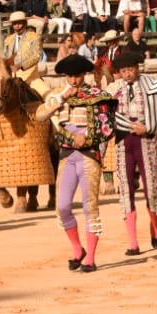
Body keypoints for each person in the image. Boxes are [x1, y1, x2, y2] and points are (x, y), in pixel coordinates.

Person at [38, 54, 116, 272]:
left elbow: (107, 128)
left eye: (77, 76)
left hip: (89, 156)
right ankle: (77, 249)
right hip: (67, 155)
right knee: (62, 206)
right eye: (70, 76)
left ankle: (90, 257)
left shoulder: (97, 95)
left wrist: (87, 139)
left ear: (84, 75)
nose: (73, 80)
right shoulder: (58, 94)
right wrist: (63, 97)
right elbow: (40, 116)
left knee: (90, 206)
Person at [111, 50, 157, 255]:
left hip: (146, 139)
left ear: (137, 68)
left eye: (130, 69)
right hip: (123, 141)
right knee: (126, 189)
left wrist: (148, 127)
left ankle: (155, 226)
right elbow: (106, 117)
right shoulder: (113, 89)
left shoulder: (152, 85)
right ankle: (133, 242)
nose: (127, 74)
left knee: (151, 187)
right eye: (123, 71)